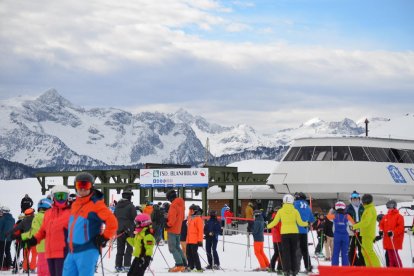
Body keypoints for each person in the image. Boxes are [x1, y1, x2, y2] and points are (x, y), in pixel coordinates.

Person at [63, 172, 118, 276]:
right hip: (72, 251)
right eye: (80, 185)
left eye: (86, 186)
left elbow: (112, 222)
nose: (83, 189)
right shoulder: (75, 204)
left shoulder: (96, 204)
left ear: (92, 187)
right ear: (75, 187)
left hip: (87, 251)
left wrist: (104, 237)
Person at [25, 185, 72, 276]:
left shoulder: (70, 213)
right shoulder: (48, 213)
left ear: (67, 197)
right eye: (59, 196)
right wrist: (34, 239)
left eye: (64, 196)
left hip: (63, 252)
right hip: (49, 252)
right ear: (53, 197)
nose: (61, 199)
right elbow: (43, 230)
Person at [267, 194, 308, 276]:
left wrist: (267, 226)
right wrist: (306, 223)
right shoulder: (295, 211)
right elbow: (300, 222)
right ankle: (294, 270)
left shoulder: (280, 211)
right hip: (294, 233)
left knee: (286, 253)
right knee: (293, 252)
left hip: (284, 234)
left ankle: (286, 270)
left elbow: (275, 222)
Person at [22, 198, 53, 276]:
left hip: (42, 247)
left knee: (42, 270)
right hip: (53, 248)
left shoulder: (38, 217)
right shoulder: (53, 216)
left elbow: (34, 231)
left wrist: (23, 236)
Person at [352, 194, 380, 267]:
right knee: (364, 252)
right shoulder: (367, 209)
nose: (362, 202)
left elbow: (366, 222)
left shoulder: (370, 209)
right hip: (365, 234)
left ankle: (377, 269)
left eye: (363, 201)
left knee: (368, 252)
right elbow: (364, 221)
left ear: (366, 201)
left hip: (368, 234)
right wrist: (357, 225)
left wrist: (354, 226)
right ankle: (369, 268)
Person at [114, 189, 136, 273]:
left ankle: (118, 265)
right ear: (129, 197)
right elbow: (135, 218)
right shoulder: (131, 206)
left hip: (119, 229)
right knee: (129, 248)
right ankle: (127, 265)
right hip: (129, 230)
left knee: (120, 248)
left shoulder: (117, 206)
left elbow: (114, 216)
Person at [378, 200, 404, 267]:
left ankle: (400, 271)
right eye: (388, 206)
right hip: (387, 240)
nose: (389, 208)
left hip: (394, 239)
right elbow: (381, 224)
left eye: (390, 206)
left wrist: (393, 232)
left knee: (395, 256)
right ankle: (392, 271)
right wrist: (381, 230)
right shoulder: (386, 216)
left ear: (394, 206)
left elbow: (400, 228)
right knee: (390, 258)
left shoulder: (399, 216)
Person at [165, 189, 186, 272]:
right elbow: (182, 217)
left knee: (172, 248)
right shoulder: (181, 204)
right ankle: (184, 264)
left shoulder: (173, 205)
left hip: (172, 229)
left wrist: (167, 224)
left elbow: (172, 219)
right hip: (178, 229)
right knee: (177, 247)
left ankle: (179, 265)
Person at [293, 192, 315, 273]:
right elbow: (312, 219)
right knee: (305, 250)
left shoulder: (294, 204)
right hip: (304, 231)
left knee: (296, 250)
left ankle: (296, 268)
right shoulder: (307, 206)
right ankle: (308, 266)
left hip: (295, 230)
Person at [346, 190, 365, 266]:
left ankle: (362, 263)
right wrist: (352, 226)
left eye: (356, 199)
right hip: (352, 231)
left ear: (359, 199)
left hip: (361, 230)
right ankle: (353, 263)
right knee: (352, 248)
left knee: (361, 248)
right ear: (351, 199)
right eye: (353, 199)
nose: (355, 200)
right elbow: (347, 218)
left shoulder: (362, 207)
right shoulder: (349, 208)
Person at [186, 204, 204, 272]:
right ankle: (191, 266)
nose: (190, 211)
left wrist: (200, 240)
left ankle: (198, 268)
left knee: (194, 254)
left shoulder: (198, 219)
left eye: (191, 210)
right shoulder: (190, 218)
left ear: (194, 211)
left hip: (195, 240)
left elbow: (200, 231)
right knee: (188, 253)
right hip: (189, 240)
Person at [331, 201, 349, 266]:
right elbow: (353, 224)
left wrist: (332, 210)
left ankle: (334, 268)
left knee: (335, 252)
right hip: (345, 236)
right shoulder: (347, 216)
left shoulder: (333, 216)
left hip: (337, 236)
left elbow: (327, 217)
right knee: (345, 253)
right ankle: (345, 268)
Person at [268, 206, 283, 273]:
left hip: (275, 238)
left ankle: (271, 267)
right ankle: (279, 268)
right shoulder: (278, 217)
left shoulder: (273, 216)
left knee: (276, 253)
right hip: (279, 238)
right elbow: (280, 227)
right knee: (280, 254)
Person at [0, 206, 15, 271]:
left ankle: (2, 265)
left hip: (2, 238)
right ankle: (8, 264)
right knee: (7, 251)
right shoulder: (12, 219)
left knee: (1, 251)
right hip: (9, 238)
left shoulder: (2, 219)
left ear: (3, 211)